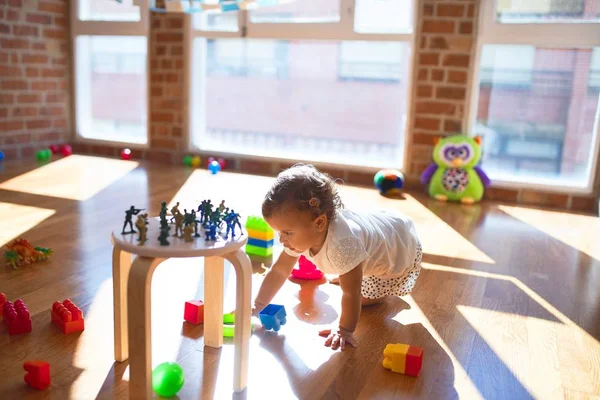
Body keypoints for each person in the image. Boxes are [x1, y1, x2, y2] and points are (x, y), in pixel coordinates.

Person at [252, 164, 422, 351]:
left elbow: (351, 293)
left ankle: (374, 288)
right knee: (349, 275)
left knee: (363, 298)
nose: (281, 239)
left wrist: (344, 330)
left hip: (396, 247)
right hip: (370, 237)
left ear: (319, 223)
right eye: (279, 232)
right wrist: (258, 304)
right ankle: (350, 271)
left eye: (287, 232)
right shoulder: (299, 236)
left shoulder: (343, 246)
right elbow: (279, 270)